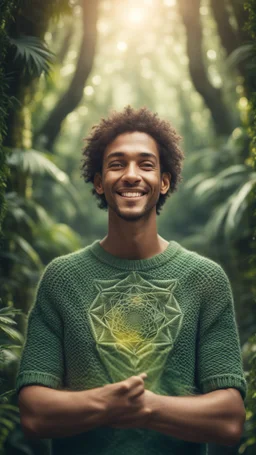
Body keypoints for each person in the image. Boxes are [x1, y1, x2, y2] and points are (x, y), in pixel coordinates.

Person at [16, 106, 247, 455]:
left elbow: (230, 418)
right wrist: (107, 402)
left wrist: (146, 407)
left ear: (164, 181)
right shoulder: (62, 279)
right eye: (117, 164)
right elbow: (33, 412)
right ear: (98, 181)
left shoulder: (204, 279)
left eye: (146, 164)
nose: (131, 175)